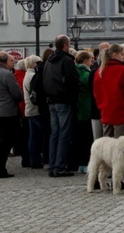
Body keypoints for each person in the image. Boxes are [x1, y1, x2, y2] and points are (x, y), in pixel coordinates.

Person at [42, 35, 79, 178]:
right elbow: (73, 81)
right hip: (64, 100)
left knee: (54, 134)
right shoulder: (67, 61)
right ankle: (60, 166)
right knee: (64, 134)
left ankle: (53, 165)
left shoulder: (49, 61)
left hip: (51, 100)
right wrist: (73, 98)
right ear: (65, 45)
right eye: (68, 44)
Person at [93, 43, 124, 138]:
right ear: (115, 55)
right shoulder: (122, 70)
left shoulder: (99, 71)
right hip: (122, 113)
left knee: (108, 145)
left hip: (106, 112)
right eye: (122, 54)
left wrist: (101, 106)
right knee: (121, 146)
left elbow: (97, 93)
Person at [74, 50, 95, 173]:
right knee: (87, 138)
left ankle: (80, 163)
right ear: (85, 60)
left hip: (78, 108)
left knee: (79, 138)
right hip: (86, 108)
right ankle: (86, 163)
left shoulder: (74, 71)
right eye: (90, 59)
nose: (92, 61)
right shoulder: (86, 74)